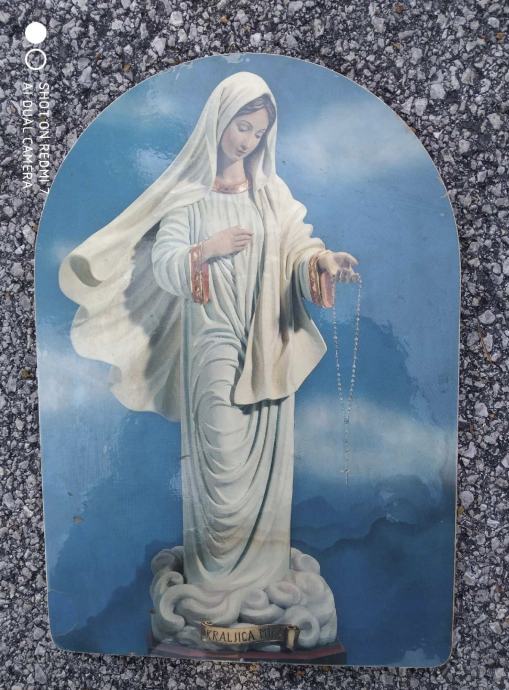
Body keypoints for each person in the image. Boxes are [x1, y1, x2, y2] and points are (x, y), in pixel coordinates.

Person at [59, 70, 359, 648]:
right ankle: (215, 589)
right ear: (218, 121)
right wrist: (207, 250)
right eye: (241, 126)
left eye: (258, 132)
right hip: (212, 345)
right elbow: (168, 263)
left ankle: (264, 584)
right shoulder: (190, 196)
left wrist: (321, 263)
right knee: (219, 461)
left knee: (267, 469)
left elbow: (299, 247)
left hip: (267, 344)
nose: (248, 140)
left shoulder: (271, 194)